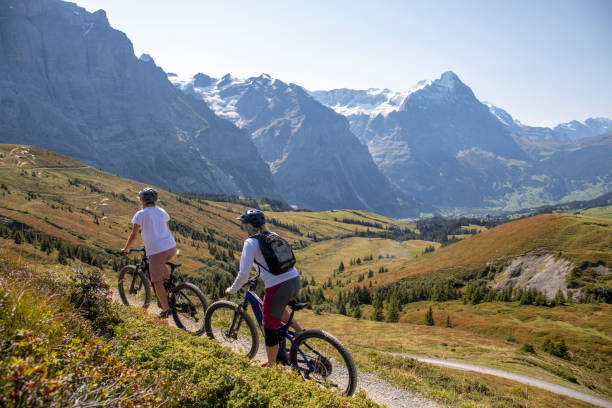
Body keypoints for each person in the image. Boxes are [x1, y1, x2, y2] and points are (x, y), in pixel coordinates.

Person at [226, 209, 303, 366]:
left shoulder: (251, 243)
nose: (243, 227)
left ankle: (272, 366)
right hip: (294, 280)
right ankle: (300, 333)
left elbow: (243, 274)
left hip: (279, 287)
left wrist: (232, 290)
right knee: (277, 309)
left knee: (269, 328)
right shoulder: (273, 235)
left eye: (245, 225)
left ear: (250, 226)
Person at [121, 187, 177, 318]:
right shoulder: (162, 211)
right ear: (155, 199)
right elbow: (166, 228)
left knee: (156, 280)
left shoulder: (141, 214)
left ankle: (165, 309)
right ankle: (170, 290)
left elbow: (134, 234)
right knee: (161, 269)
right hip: (171, 247)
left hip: (157, 250)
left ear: (141, 200)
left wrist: (126, 248)